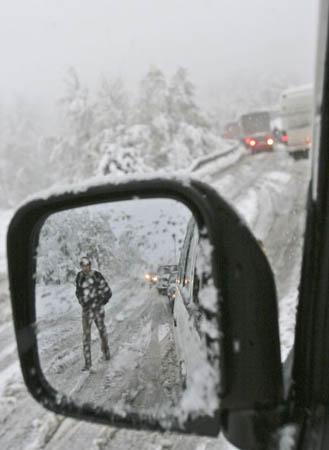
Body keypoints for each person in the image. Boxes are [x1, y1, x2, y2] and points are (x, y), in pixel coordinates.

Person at [75, 256, 112, 371]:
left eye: (87, 266)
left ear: (90, 266)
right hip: (86, 311)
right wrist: (82, 302)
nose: (85, 268)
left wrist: (102, 301)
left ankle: (106, 352)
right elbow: (78, 292)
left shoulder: (97, 275)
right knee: (86, 336)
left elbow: (108, 291)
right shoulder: (79, 277)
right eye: (83, 266)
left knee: (102, 331)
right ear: (81, 267)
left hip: (97, 309)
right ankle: (88, 363)